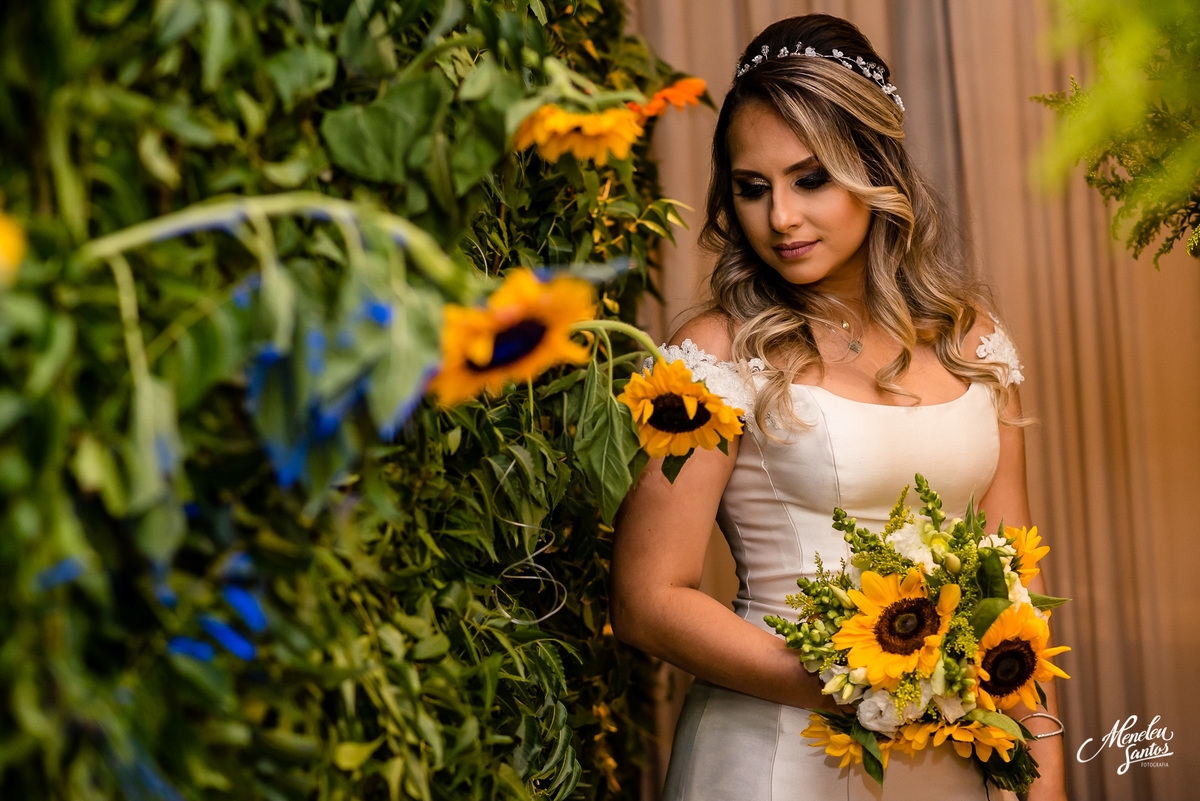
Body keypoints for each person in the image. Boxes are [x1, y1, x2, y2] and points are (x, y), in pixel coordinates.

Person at [609, 13, 1068, 801]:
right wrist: (862, 687)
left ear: (874, 164)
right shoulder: (716, 354)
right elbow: (648, 600)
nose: (780, 217)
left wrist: (1041, 774)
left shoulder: (975, 342)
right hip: (777, 760)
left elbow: (1010, 602)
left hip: (950, 760)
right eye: (753, 189)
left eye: (809, 178)